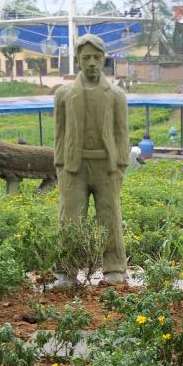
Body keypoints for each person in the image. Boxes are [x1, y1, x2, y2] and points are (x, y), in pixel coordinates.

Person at [53, 34, 129, 288]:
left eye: (97, 57)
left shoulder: (116, 95)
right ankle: (66, 271)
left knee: (110, 216)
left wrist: (120, 167)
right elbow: (59, 135)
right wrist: (60, 167)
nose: (92, 63)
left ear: (104, 59)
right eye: (86, 58)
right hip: (74, 167)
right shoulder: (64, 94)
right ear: (77, 60)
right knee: (70, 218)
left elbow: (122, 134)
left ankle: (115, 268)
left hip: (106, 167)